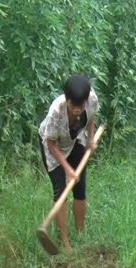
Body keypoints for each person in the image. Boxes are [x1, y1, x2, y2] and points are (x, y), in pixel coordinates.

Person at [38, 75, 99, 254]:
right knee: (61, 190)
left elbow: (91, 117)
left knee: (80, 187)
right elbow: (50, 144)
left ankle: (81, 234)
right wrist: (67, 169)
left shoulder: (92, 100)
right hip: (53, 146)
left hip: (74, 141)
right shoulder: (56, 112)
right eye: (74, 106)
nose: (78, 110)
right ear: (67, 99)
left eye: (81, 106)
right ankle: (65, 243)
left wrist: (90, 138)